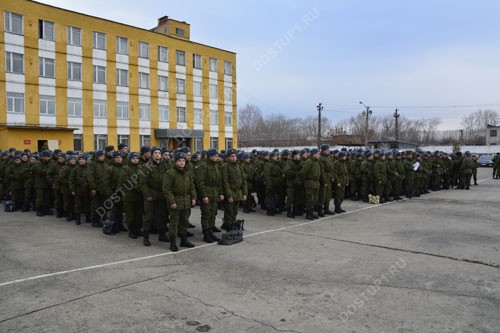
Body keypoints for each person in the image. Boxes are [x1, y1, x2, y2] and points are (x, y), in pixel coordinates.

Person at [163, 152, 197, 252]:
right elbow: (166, 190)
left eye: (183, 161)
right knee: (174, 223)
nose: (182, 163)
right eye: (179, 161)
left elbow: (192, 187)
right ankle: (173, 242)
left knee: (184, 222)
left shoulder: (187, 173)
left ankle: (184, 240)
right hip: (176, 201)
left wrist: (194, 198)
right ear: (175, 162)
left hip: (186, 201)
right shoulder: (170, 173)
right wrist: (172, 202)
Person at [139, 147, 170, 246]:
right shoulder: (146, 167)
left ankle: (162, 234)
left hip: (162, 194)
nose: (157, 154)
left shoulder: (165, 165)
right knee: (148, 217)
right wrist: (147, 195)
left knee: (162, 215)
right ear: (152, 155)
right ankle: (146, 237)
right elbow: (142, 183)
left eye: (159, 153)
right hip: (151, 193)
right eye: (155, 153)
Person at [194, 148, 223, 243]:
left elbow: (219, 181)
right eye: (215, 156)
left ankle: (210, 231)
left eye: (217, 156)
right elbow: (200, 182)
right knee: (206, 214)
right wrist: (204, 195)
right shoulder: (203, 166)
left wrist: (220, 193)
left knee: (213, 213)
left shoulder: (215, 166)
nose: (217, 158)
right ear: (210, 156)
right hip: (207, 192)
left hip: (214, 192)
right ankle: (206, 233)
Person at [221, 149, 248, 230]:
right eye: (231, 156)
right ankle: (228, 225)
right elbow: (225, 182)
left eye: (235, 156)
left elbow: (243, 181)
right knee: (229, 211)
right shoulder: (225, 167)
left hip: (238, 192)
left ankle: (232, 224)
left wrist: (244, 193)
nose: (234, 158)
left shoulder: (239, 166)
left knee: (235, 211)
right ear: (228, 157)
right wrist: (229, 195)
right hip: (231, 192)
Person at [119, 152, 144, 239]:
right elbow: (125, 180)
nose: (135, 160)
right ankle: (132, 230)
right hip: (129, 195)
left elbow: (144, 179)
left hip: (139, 195)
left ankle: (138, 229)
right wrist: (137, 187)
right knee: (130, 214)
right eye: (133, 158)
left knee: (139, 214)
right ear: (130, 159)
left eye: (137, 158)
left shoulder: (141, 168)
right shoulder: (125, 168)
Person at [69, 155, 91, 225]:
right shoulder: (75, 169)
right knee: (78, 205)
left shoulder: (89, 168)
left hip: (87, 189)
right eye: (80, 159)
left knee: (87, 204)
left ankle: (88, 218)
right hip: (78, 189)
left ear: (85, 160)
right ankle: (78, 219)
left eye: (83, 159)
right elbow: (71, 180)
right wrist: (72, 190)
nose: (81, 160)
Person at [300, 148, 321, 220]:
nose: (319, 155)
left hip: (315, 183)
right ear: (314, 154)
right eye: (318, 154)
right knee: (310, 199)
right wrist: (305, 181)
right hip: (310, 183)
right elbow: (303, 173)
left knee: (314, 199)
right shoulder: (309, 162)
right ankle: (309, 214)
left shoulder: (316, 162)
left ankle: (311, 212)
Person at [33, 150, 53, 216]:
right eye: (47, 157)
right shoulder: (38, 163)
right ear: (43, 157)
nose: (48, 158)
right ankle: (39, 210)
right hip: (40, 183)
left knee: (47, 198)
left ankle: (46, 209)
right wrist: (49, 169)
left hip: (47, 183)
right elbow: (40, 171)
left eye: (49, 157)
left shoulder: (50, 162)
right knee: (40, 198)